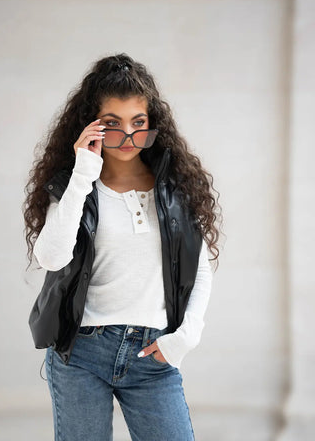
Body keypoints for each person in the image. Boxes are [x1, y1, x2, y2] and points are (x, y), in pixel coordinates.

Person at [23, 53, 222, 441]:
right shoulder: (72, 187)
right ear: (91, 127)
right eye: (112, 125)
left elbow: (199, 268)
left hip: (153, 353)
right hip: (80, 352)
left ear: (152, 125)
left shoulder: (175, 187)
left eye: (139, 124)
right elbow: (51, 257)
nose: (128, 137)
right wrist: (83, 173)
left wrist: (186, 336)